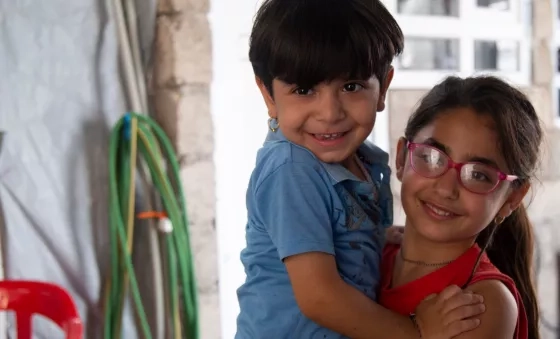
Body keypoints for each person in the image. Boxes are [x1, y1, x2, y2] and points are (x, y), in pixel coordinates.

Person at [235, 1, 485, 338]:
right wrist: (417, 332)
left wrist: (377, 235)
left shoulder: (367, 163)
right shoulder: (291, 169)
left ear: (383, 86)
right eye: (304, 90)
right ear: (268, 95)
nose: (329, 112)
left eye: (351, 86)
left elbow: (334, 234)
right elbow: (320, 298)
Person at [380, 75, 542, 339]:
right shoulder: (366, 252)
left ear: (511, 200)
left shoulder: (481, 303)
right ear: (401, 158)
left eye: (478, 175)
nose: (446, 188)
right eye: (432, 157)